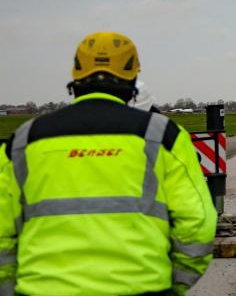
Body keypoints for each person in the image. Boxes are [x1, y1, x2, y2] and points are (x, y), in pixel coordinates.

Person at [0, 32, 217, 296]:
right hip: (143, 287)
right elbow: (198, 223)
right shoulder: (163, 136)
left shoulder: (23, 141)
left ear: (76, 74)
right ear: (133, 76)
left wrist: (10, 288)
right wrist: (174, 283)